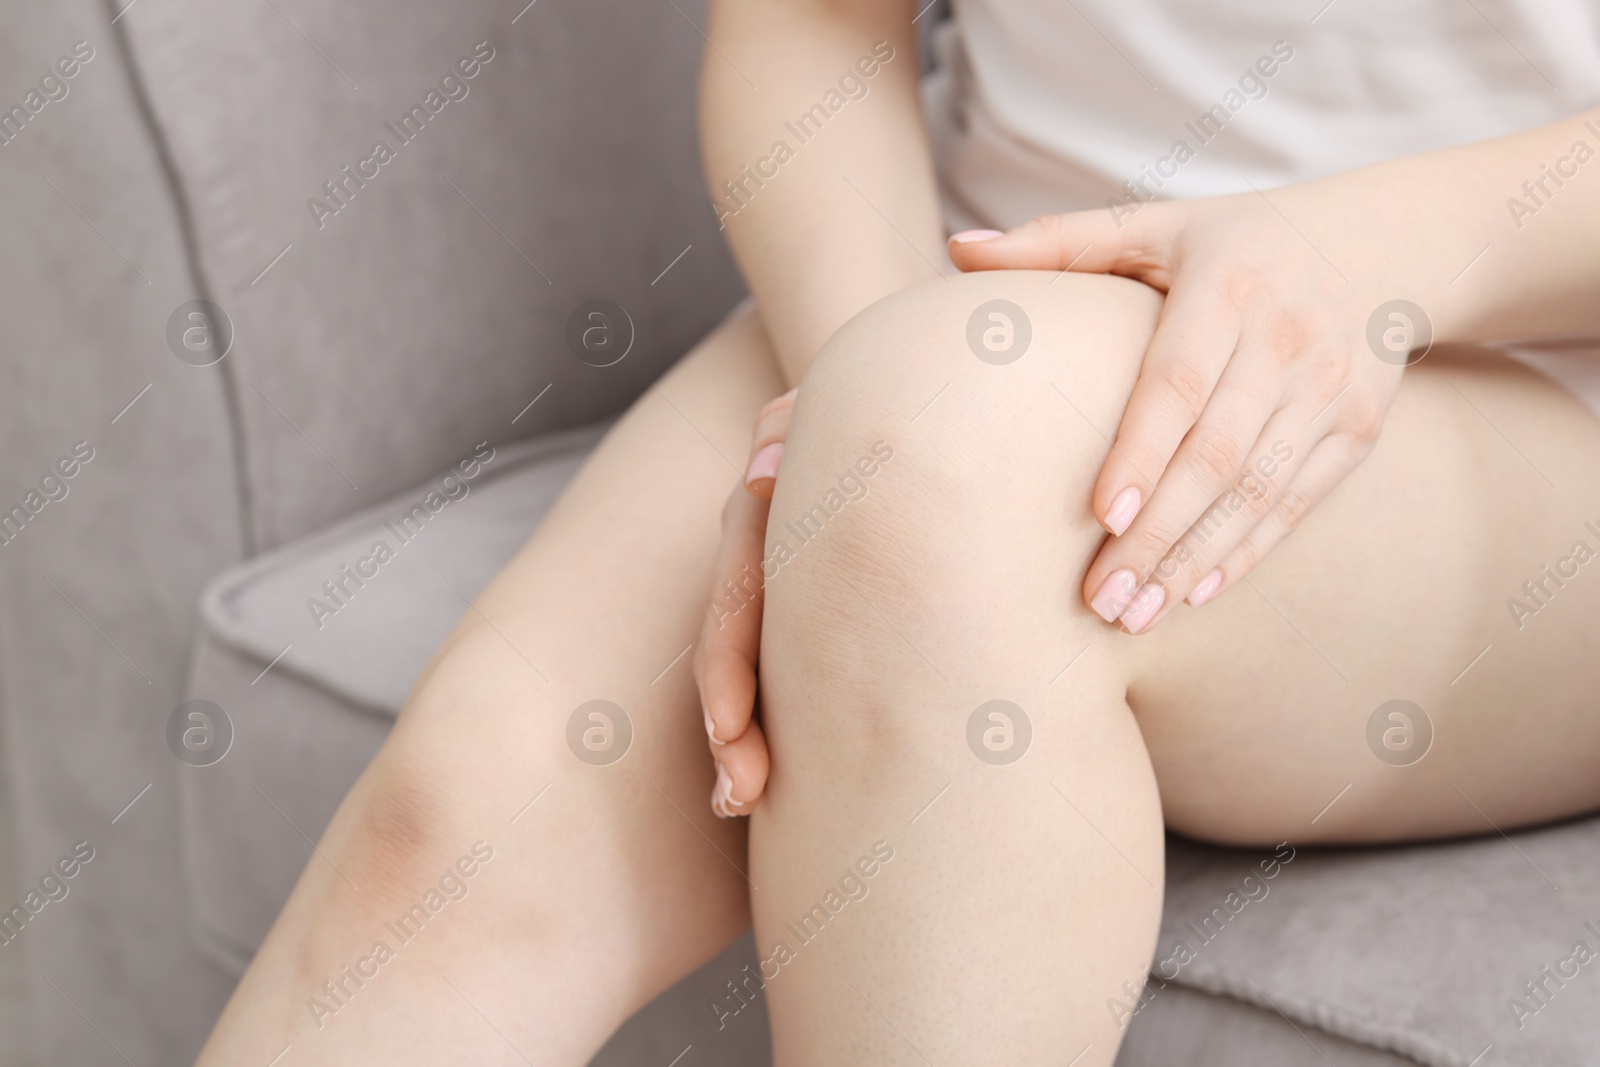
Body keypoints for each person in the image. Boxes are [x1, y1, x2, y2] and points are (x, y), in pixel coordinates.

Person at [194, 2, 1600, 1063]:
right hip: (954, 282)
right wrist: (858, 400)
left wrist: (1384, 254)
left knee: (944, 459)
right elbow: (810, 22)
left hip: (1527, 361)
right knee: (446, 855)